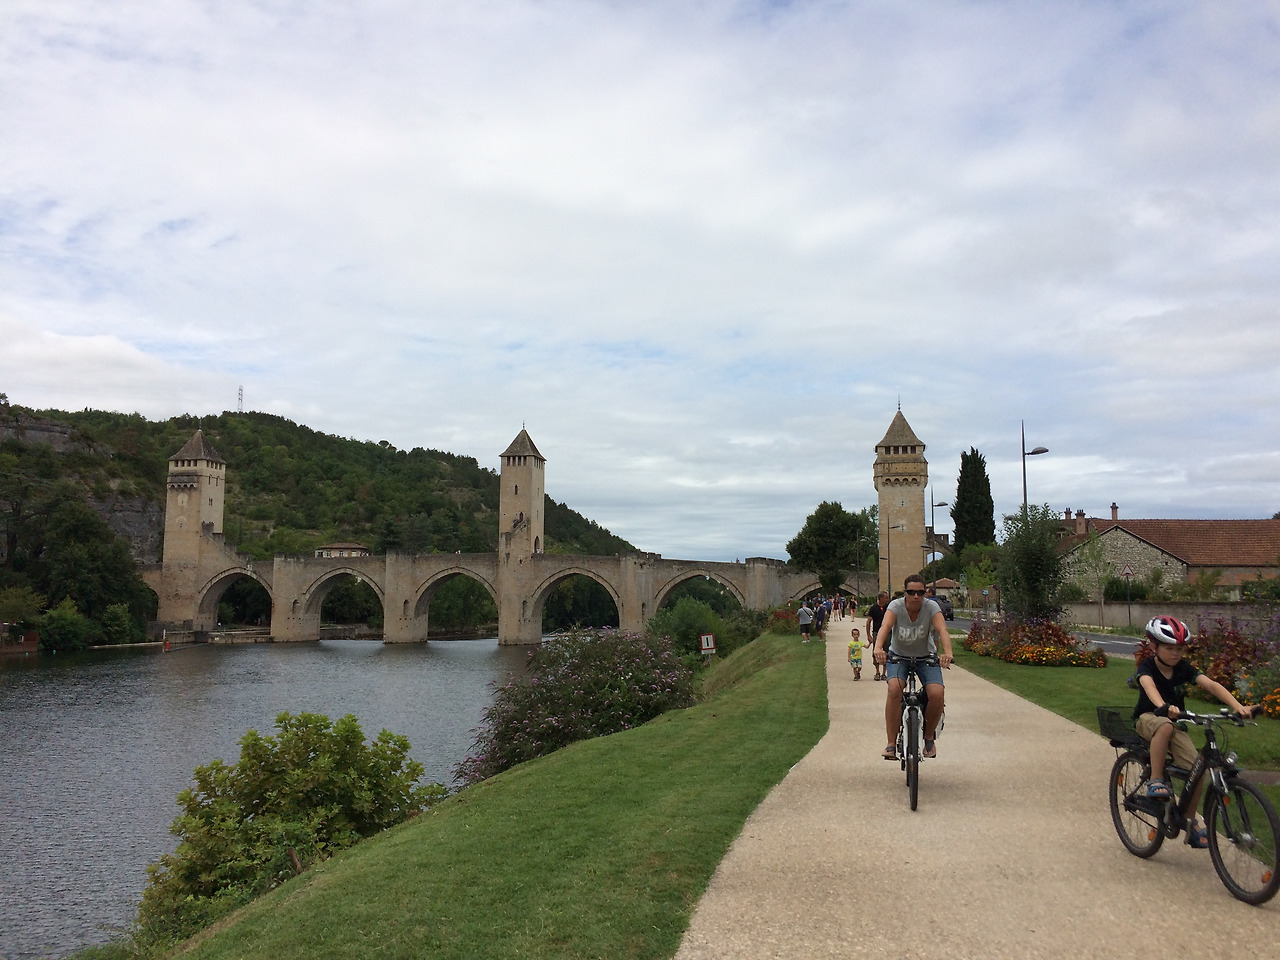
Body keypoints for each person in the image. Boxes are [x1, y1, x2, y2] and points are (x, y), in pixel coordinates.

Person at [1133, 615, 1259, 848]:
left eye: (1180, 649)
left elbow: (1210, 684)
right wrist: (1163, 706)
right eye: (1169, 648)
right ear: (1154, 646)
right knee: (1165, 725)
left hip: (1176, 723)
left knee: (1198, 768)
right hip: (1149, 718)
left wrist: (1238, 707)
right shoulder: (1147, 666)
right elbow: (1148, 685)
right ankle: (1155, 780)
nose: (1176, 653)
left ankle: (1189, 822)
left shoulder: (1182, 668)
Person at [873, 574, 953, 759]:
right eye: (911, 592)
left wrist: (947, 653)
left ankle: (928, 737)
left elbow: (942, 630)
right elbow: (885, 627)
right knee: (894, 689)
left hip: (926, 657)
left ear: (925, 593)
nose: (916, 596)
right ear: (905, 592)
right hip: (899, 656)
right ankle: (891, 744)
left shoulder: (931, 607)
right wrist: (878, 648)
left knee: (937, 693)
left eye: (920, 592)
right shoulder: (896, 606)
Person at [865, 592, 890, 680]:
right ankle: (877, 672)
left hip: (888, 633)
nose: (888, 599)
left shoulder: (889, 608)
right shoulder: (874, 608)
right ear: (880, 599)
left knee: (887, 652)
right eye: (886, 598)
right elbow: (868, 622)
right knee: (876, 652)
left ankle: (884, 673)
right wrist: (868, 635)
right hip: (877, 632)